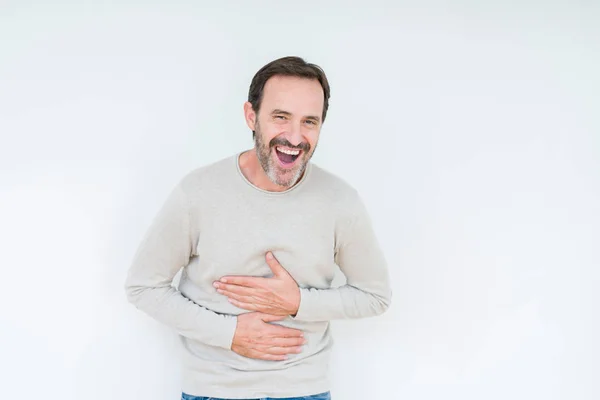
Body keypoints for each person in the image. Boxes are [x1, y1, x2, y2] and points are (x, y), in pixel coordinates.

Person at [124, 56, 392, 400]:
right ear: (252, 116)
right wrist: (229, 332)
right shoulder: (197, 193)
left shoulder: (341, 200)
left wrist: (298, 302)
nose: (295, 137)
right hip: (214, 391)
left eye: (309, 121)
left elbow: (375, 296)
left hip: (303, 390)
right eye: (281, 117)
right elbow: (143, 287)